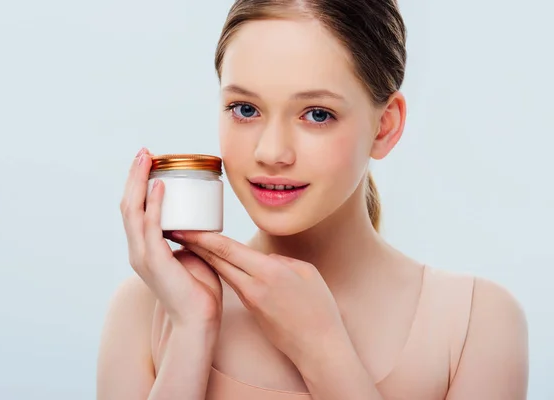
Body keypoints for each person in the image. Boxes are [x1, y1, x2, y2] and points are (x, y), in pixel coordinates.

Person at [97, 1, 529, 399]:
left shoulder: (477, 324)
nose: (271, 152)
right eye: (245, 109)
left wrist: (324, 349)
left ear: (385, 127)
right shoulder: (147, 308)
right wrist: (191, 330)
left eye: (317, 114)